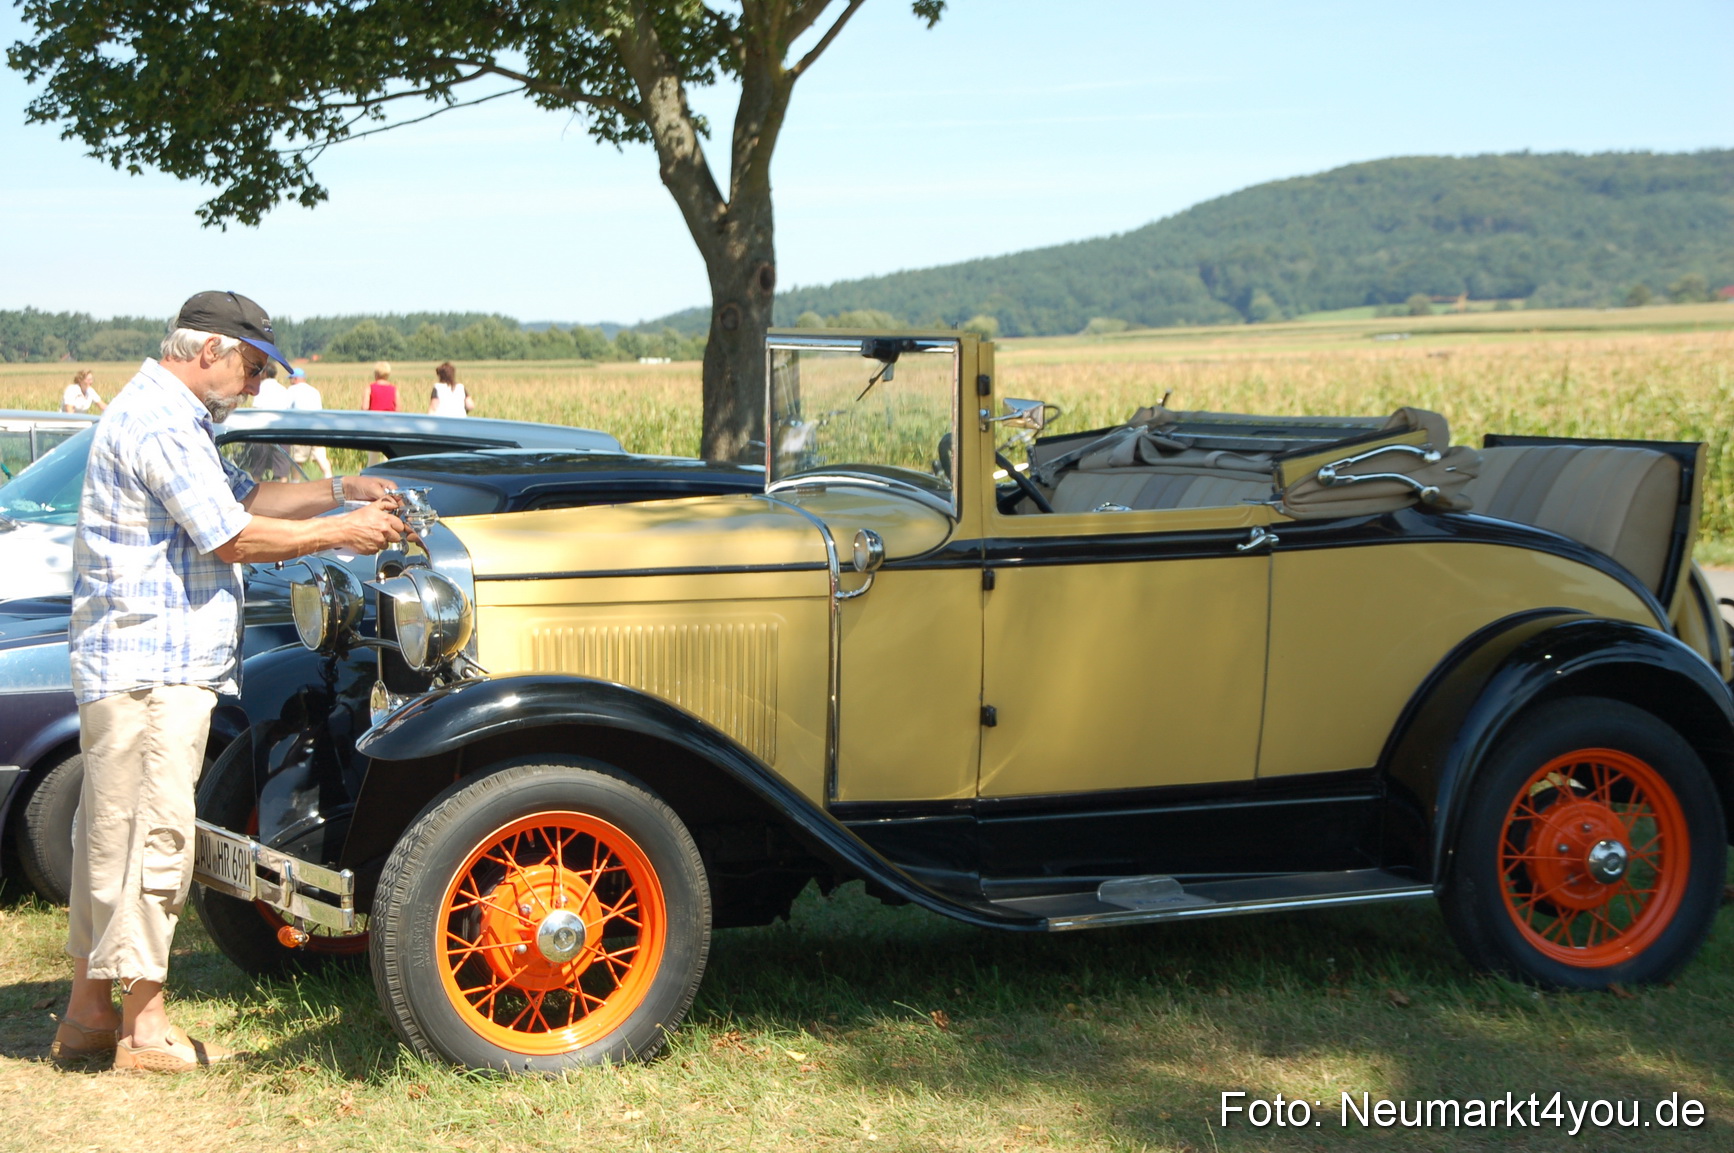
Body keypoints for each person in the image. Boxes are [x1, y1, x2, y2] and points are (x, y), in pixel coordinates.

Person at [53, 290, 407, 1074]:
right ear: (208, 348)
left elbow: (243, 497)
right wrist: (344, 530)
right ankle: (144, 1029)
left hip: (136, 661)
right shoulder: (160, 421)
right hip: (153, 667)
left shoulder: (172, 416)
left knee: (110, 834)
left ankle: (87, 1014)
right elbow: (233, 535)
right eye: (251, 366)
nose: (254, 384)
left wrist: (343, 488)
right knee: (155, 835)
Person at [283, 367, 334, 479]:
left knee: (298, 459)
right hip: (317, 427)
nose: (290, 381)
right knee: (320, 457)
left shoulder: (292, 390)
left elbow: (286, 409)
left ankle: (295, 482)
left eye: (291, 379)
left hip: (301, 428)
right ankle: (329, 477)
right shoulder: (314, 391)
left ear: (295, 379)